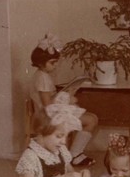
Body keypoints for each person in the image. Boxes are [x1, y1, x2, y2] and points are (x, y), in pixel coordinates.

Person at [29, 33, 98, 167]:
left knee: (92, 118)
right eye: (52, 63)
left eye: (56, 62)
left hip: (53, 113)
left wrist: (67, 93)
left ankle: (74, 154)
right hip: (48, 117)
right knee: (91, 120)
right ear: (41, 63)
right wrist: (65, 96)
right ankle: (74, 155)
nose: (55, 66)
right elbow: (48, 106)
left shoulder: (43, 75)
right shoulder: (42, 78)